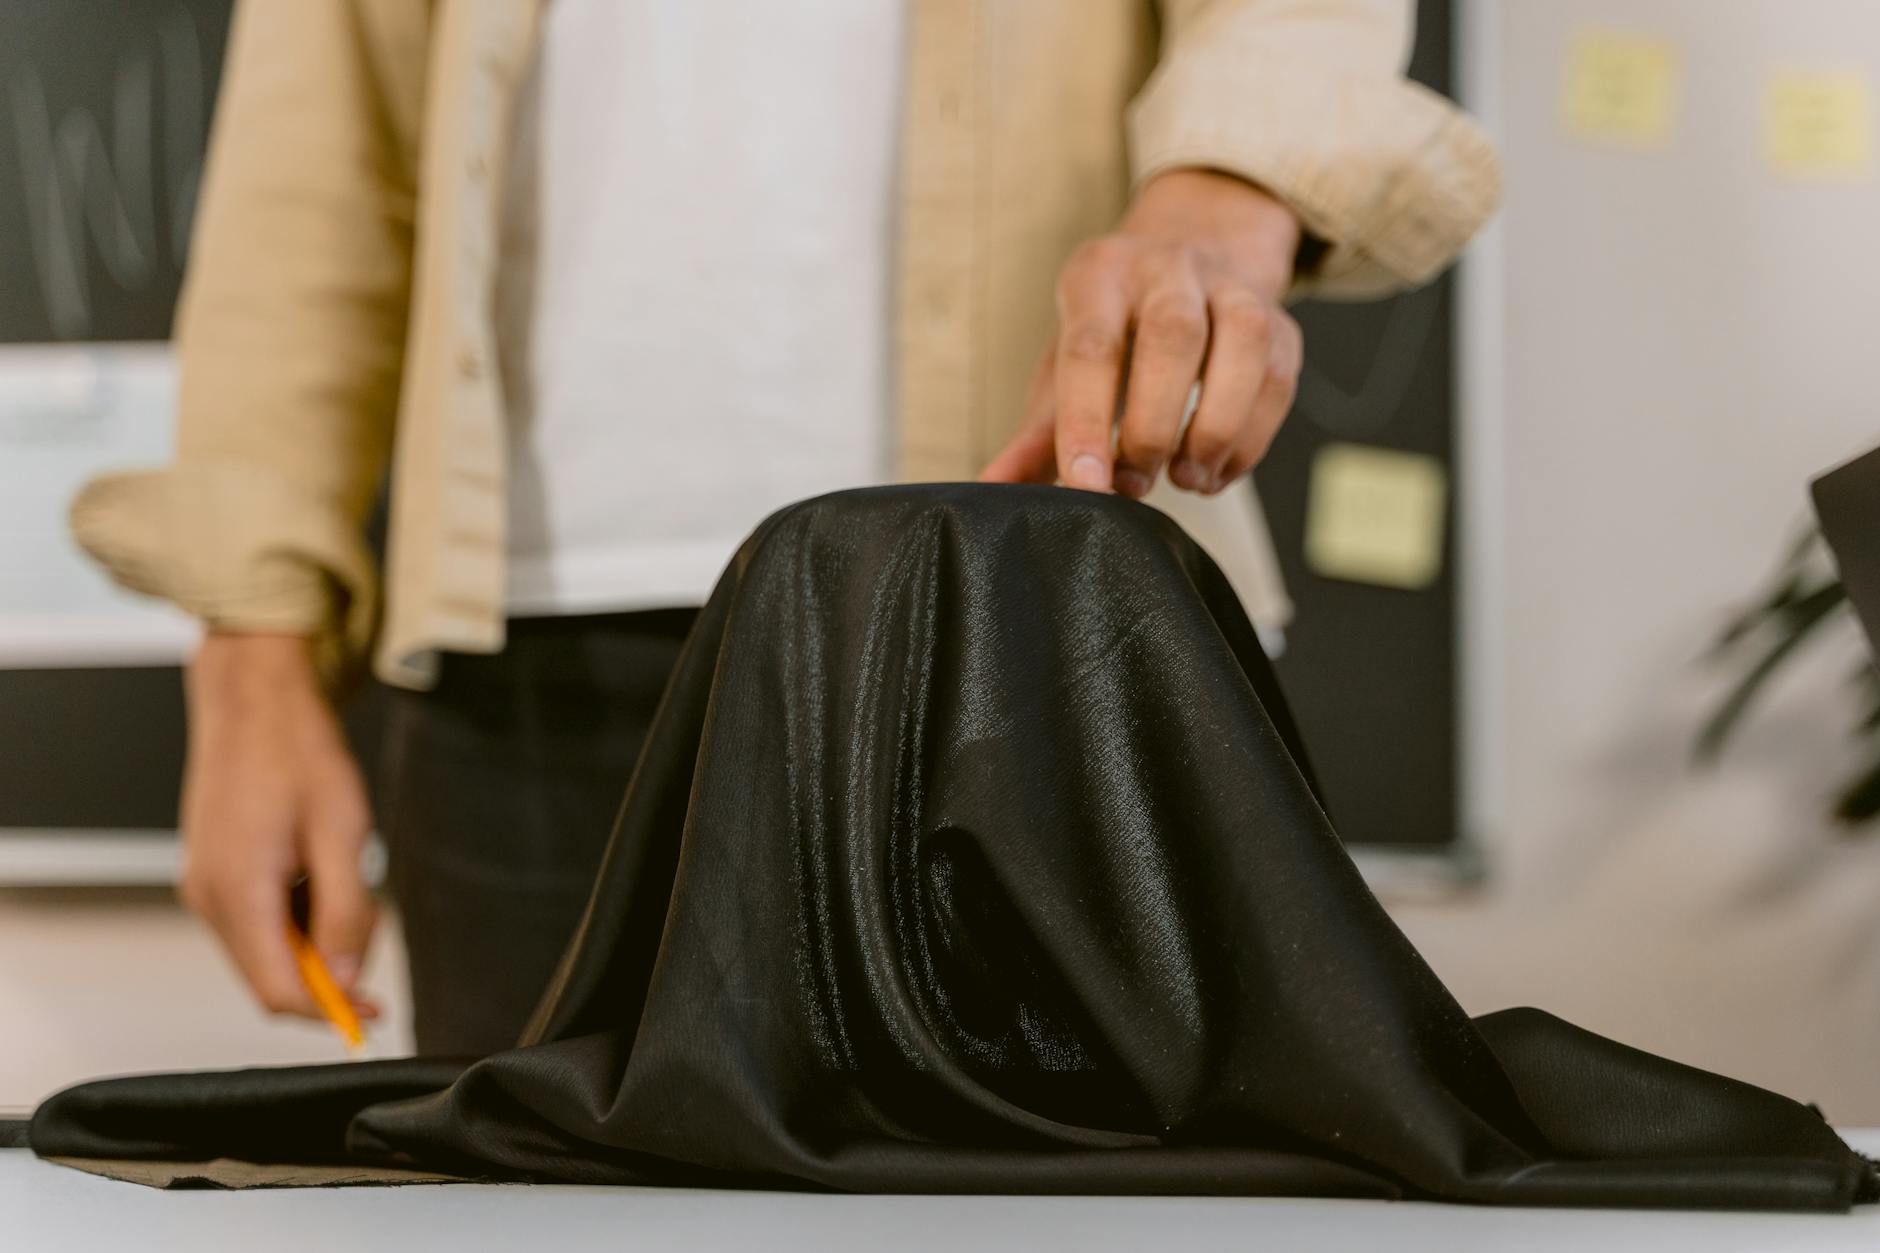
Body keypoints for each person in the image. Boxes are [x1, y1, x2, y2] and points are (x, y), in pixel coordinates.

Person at [71, 0, 1499, 1056]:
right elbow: (316, 158)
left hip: (1025, 628)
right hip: (530, 668)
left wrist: (1220, 197)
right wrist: (249, 664)